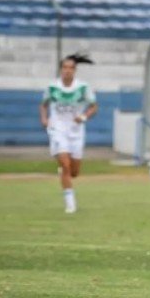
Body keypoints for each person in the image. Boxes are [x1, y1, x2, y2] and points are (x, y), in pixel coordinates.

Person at [39, 53, 97, 213]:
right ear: (60, 69)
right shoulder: (52, 87)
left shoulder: (83, 87)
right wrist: (44, 119)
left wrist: (84, 116)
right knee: (65, 165)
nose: (67, 71)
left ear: (75, 70)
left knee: (74, 171)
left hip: (76, 131)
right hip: (57, 129)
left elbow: (93, 106)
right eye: (64, 67)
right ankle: (70, 203)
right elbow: (43, 104)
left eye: (71, 68)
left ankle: (65, 172)